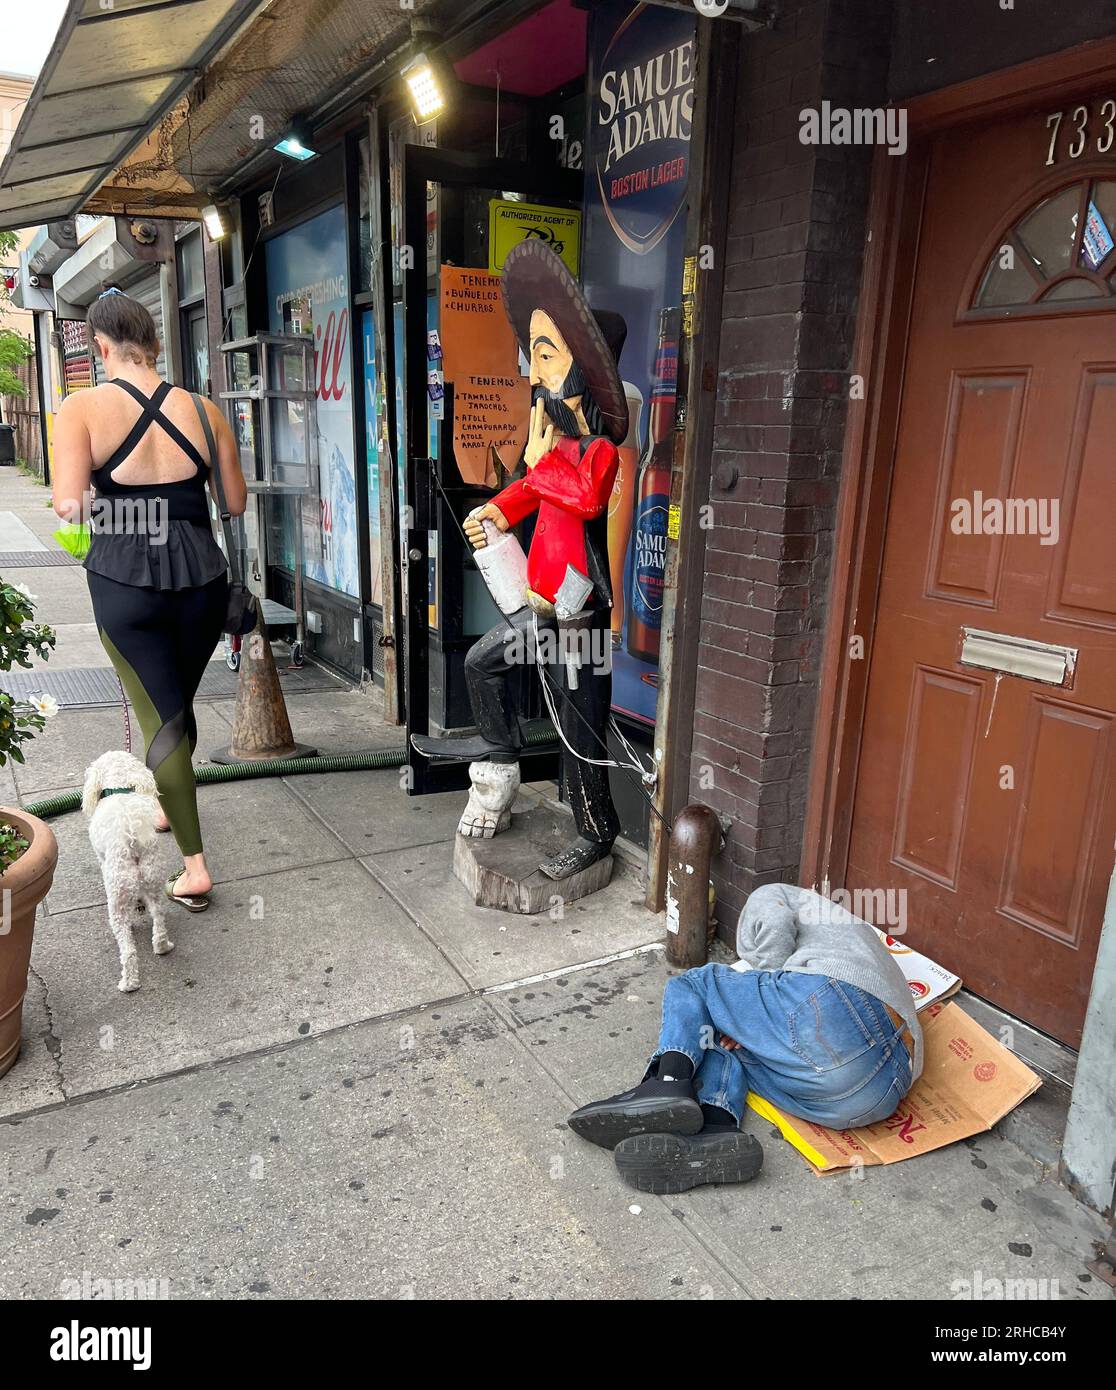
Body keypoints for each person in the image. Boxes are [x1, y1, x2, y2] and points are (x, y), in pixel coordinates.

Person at [413, 240, 626, 881]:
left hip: (578, 611)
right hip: (539, 605)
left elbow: (585, 498)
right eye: (531, 356)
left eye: (546, 356)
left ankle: (596, 829)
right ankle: (502, 764)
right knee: (485, 661)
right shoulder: (553, 449)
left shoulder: (595, 451)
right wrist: (495, 512)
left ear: (582, 372)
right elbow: (528, 492)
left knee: (580, 725)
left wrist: (538, 464)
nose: (533, 375)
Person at [52, 287, 247, 911]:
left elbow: (70, 508)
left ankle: (194, 868)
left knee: (160, 717)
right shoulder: (206, 410)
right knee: (174, 699)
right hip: (202, 581)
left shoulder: (80, 409)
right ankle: (168, 800)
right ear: (156, 343)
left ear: (102, 347)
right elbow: (235, 504)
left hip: (123, 581)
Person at [568, 883, 923, 1194]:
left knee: (693, 984)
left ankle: (668, 1080)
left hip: (840, 1006)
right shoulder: (861, 943)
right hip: (874, 1096)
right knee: (724, 1045)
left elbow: (774, 920)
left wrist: (748, 1006)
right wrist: (745, 1024)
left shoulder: (784, 894)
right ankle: (717, 1126)